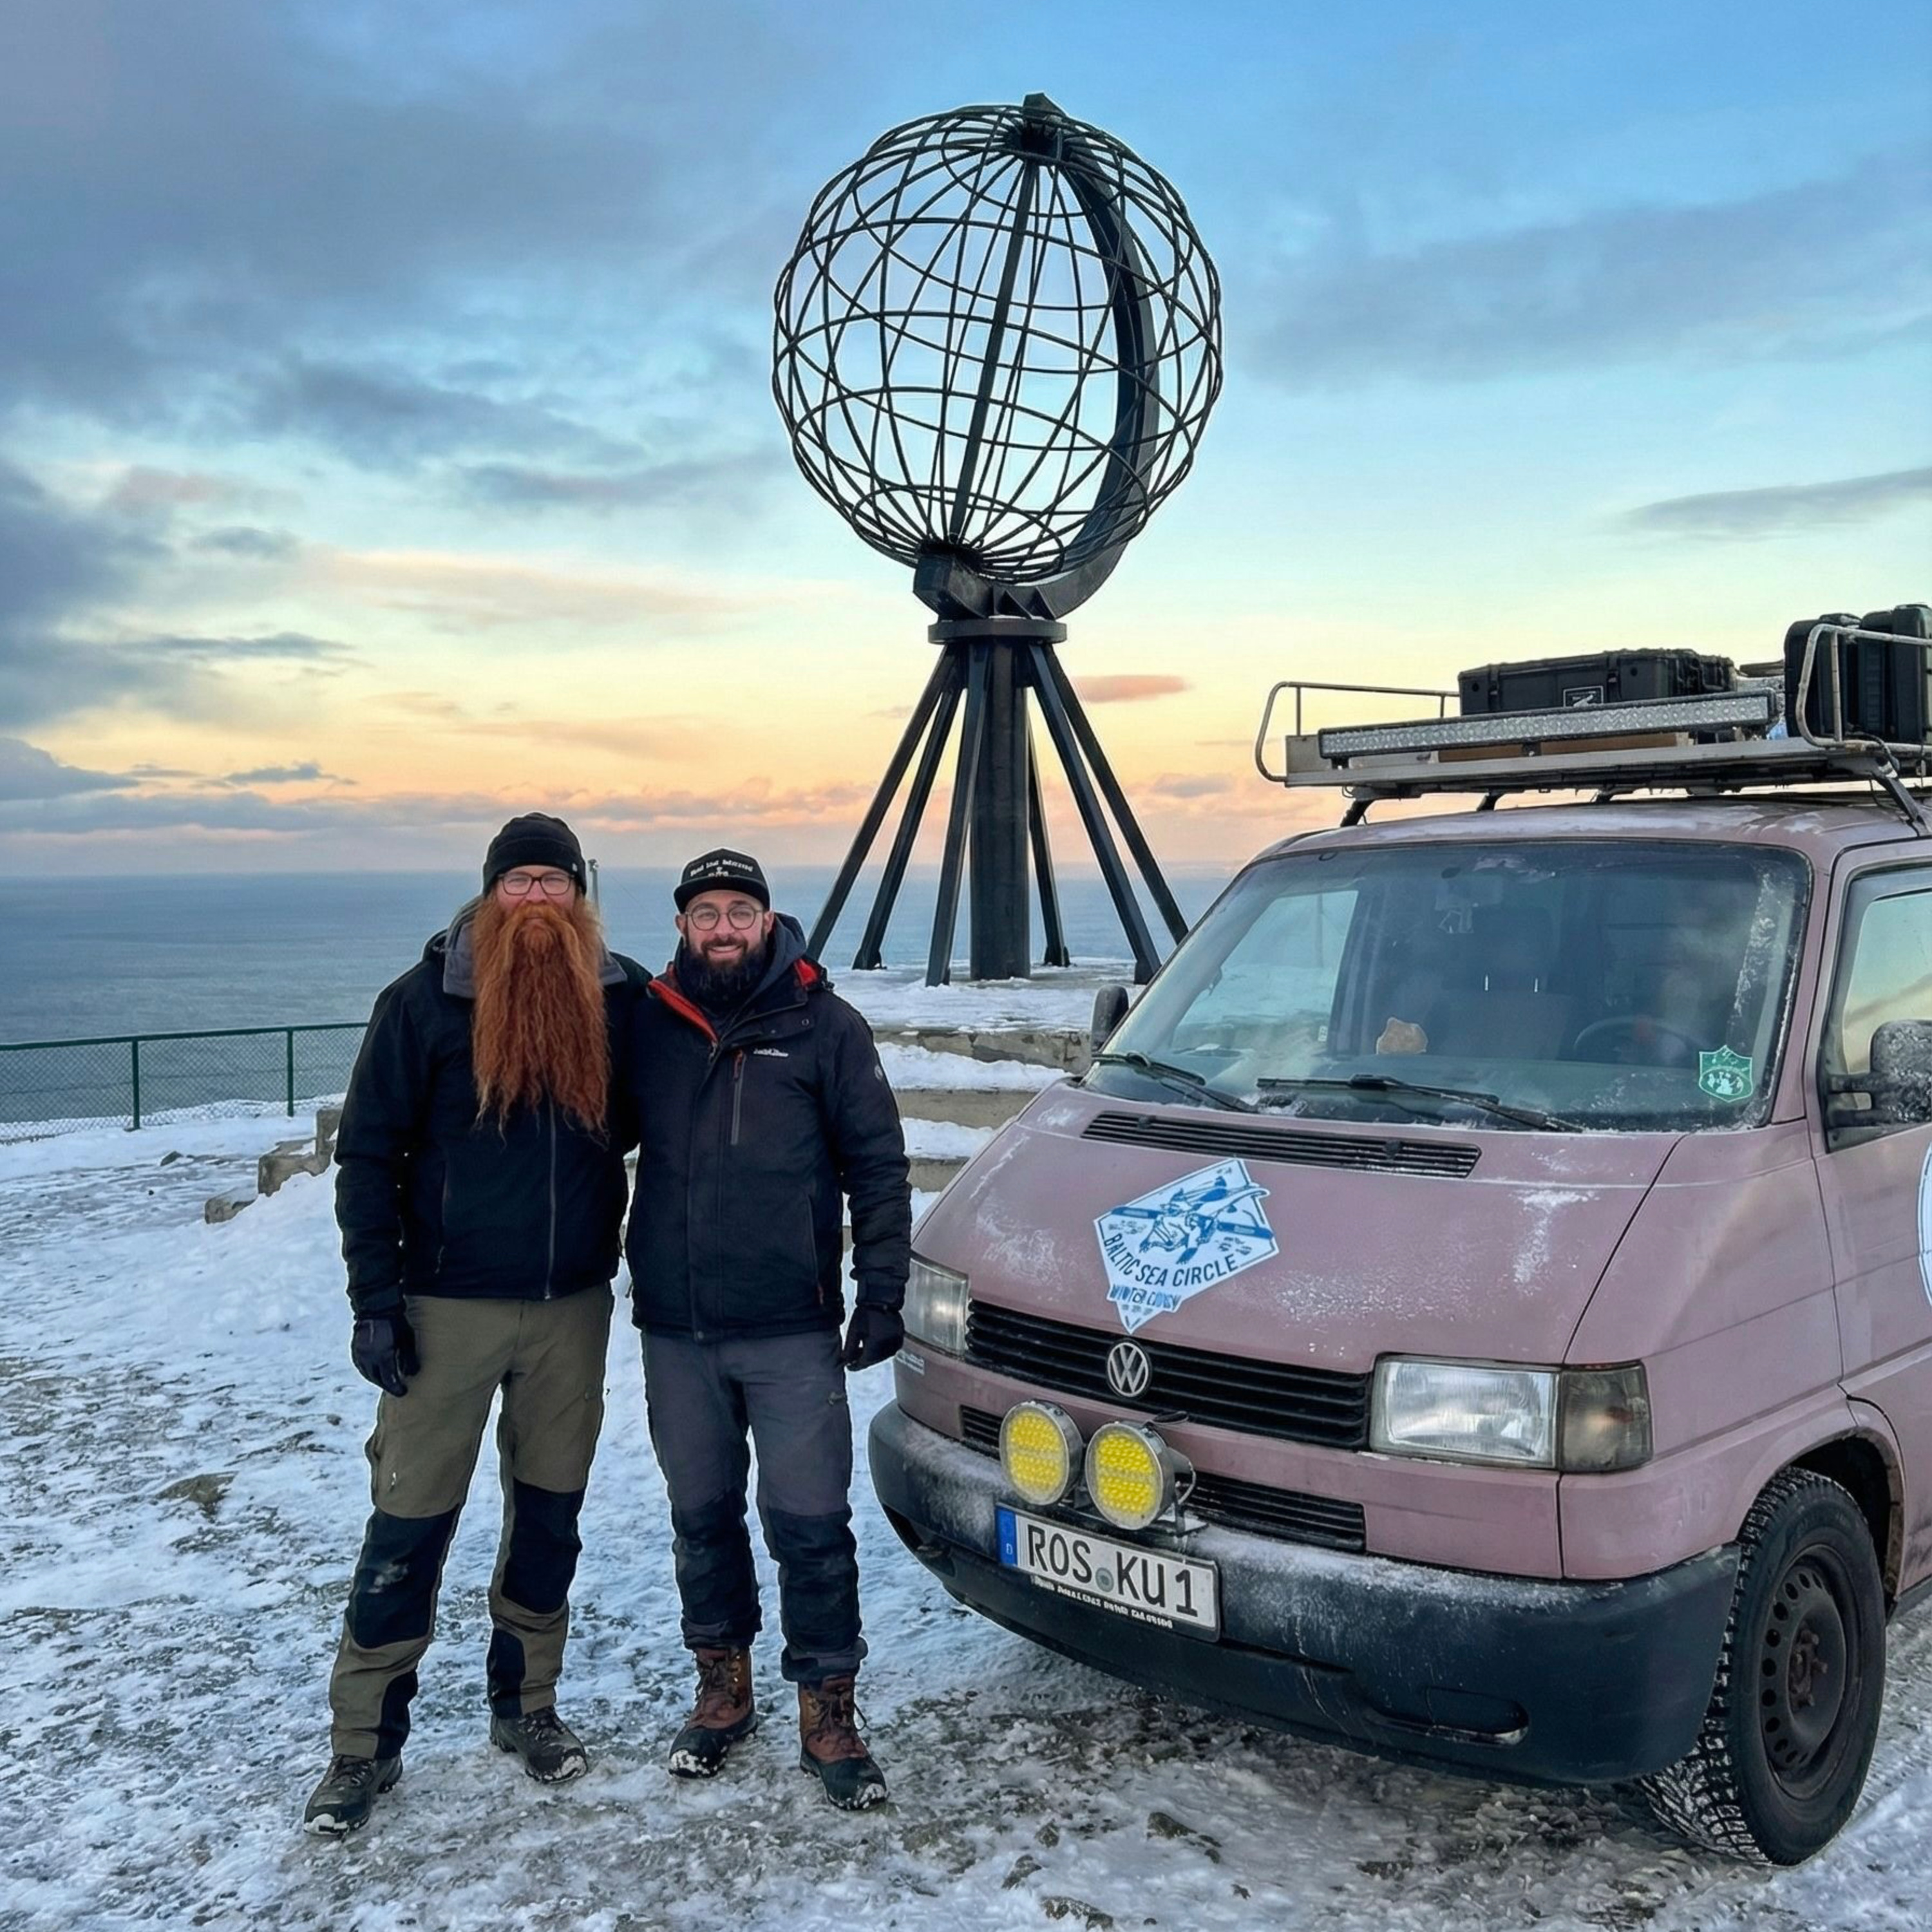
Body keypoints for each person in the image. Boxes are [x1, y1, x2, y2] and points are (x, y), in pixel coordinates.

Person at [302, 814, 644, 1836]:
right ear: (491, 894)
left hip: (571, 1309)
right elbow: (367, 1158)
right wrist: (375, 1301)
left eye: (555, 884)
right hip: (444, 1309)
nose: (537, 901)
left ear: (580, 897)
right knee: (408, 1526)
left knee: (549, 1519)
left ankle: (526, 1705)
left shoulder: (617, 1000)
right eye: (520, 883)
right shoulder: (418, 1006)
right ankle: (364, 1745)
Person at [627, 848, 911, 1810]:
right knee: (701, 1519)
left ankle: (829, 1712)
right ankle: (722, 1694)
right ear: (681, 927)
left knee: (811, 1527)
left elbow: (877, 1167)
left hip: (791, 1326)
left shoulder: (827, 1027)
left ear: (767, 920)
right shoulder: (648, 1027)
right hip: (676, 1326)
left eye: (738, 910)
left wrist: (881, 1293)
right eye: (704, 911)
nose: (721, 927)